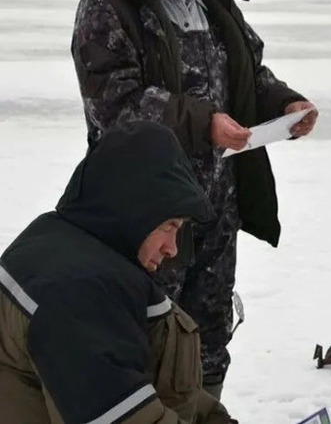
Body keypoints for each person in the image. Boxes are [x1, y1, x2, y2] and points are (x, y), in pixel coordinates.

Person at [70, 0, 318, 398]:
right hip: (146, 219)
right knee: (145, 338)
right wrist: (203, 121)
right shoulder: (110, 6)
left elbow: (250, 75)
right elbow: (115, 107)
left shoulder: (214, 4)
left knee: (208, 341)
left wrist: (285, 104)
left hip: (214, 214)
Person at [0, 121, 237, 423]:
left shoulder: (74, 248)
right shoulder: (76, 291)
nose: (172, 248)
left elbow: (146, 380)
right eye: (169, 227)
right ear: (134, 209)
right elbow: (119, 415)